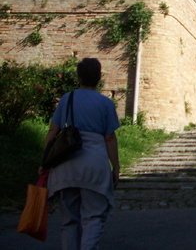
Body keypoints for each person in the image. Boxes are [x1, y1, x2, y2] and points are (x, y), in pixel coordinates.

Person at [39, 58, 120, 250]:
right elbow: (109, 137)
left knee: (69, 221)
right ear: (99, 77)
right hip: (94, 164)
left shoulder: (67, 99)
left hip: (65, 165)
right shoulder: (105, 103)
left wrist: (45, 160)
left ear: (78, 76)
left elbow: (52, 131)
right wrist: (116, 166)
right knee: (93, 217)